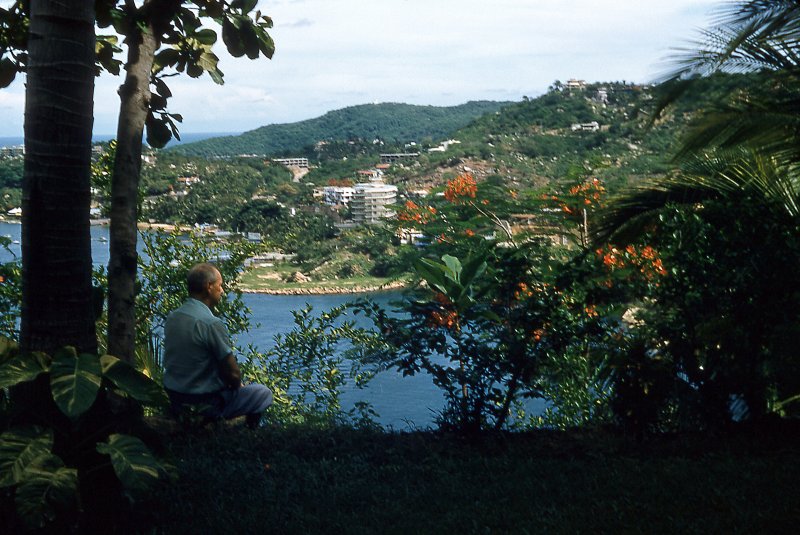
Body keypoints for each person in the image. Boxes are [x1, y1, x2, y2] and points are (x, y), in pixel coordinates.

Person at [163, 262, 272, 429]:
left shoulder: (173, 318)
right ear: (209, 287)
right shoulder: (210, 323)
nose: (222, 291)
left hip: (176, 398)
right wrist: (237, 387)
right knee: (263, 393)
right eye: (220, 286)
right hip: (205, 402)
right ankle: (249, 432)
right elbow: (233, 373)